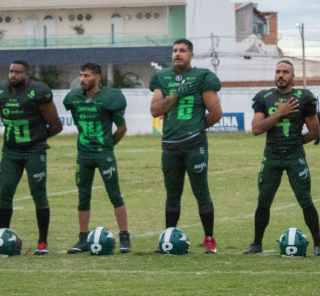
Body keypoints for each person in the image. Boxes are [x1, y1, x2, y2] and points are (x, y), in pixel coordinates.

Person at [242, 61, 320, 256]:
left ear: (293, 76)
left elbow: (314, 133)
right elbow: (256, 129)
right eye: (278, 71)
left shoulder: (303, 98)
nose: (281, 75)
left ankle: (319, 244)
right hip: (271, 156)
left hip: (294, 155)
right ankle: (256, 243)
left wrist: (296, 143)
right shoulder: (264, 97)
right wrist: (279, 114)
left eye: (285, 72)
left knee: (305, 199)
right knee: (263, 200)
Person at [149, 39, 223, 253]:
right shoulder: (162, 77)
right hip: (169, 144)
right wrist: (176, 94)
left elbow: (216, 113)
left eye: (182, 51)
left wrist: (197, 128)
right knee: (172, 194)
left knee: (201, 191)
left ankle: (209, 239)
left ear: (191, 54)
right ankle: (168, 239)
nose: (177, 54)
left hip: (194, 143)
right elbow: (155, 111)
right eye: (174, 51)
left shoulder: (203, 77)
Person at [0, 60, 62, 255]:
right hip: (10, 151)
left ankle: (42, 242)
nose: (13, 75)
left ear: (27, 75)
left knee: (39, 194)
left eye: (18, 72)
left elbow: (56, 125)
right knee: (5, 193)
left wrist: (38, 139)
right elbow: (4, 118)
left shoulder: (39, 92)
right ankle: (2, 238)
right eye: (11, 71)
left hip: (34, 151)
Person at [64, 63, 131, 254]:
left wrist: (107, 146)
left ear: (97, 78)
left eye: (86, 75)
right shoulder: (75, 99)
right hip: (83, 154)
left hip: (103, 154)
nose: (82, 79)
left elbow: (121, 128)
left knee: (114, 194)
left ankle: (125, 236)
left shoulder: (110, 98)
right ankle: (82, 239)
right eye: (81, 75)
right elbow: (79, 124)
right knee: (83, 197)